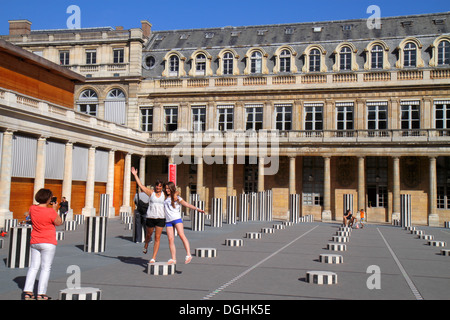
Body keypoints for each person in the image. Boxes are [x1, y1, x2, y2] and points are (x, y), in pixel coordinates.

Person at [23, 188, 63, 300]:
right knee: (45, 268)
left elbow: (30, 214)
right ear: (49, 199)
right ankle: (41, 293)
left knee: (33, 266)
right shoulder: (50, 211)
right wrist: (55, 210)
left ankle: (28, 291)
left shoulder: (32, 208)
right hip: (48, 242)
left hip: (35, 241)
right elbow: (59, 222)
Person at [163, 181, 205, 265]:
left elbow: (186, 204)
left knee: (181, 235)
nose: (167, 190)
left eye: (168, 188)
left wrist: (197, 209)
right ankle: (173, 258)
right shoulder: (165, 197)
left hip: (177, 219)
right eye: (166, 188)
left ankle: (188, 254)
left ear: (171, 188)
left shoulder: (177, 197)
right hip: (168, 221)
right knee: (170, 239)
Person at [131, 167, 165, 263]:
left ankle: (153, 257)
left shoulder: (164, 195)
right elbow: (141, 185)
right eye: (157, 186)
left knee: (157, 238)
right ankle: (146, 245)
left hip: (161, 218)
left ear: (162, 187)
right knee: (149, 235)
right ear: (155, 186)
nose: (158, 187)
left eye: (160, 186)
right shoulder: (151, 193)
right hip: (150, 217)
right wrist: (135, 175)